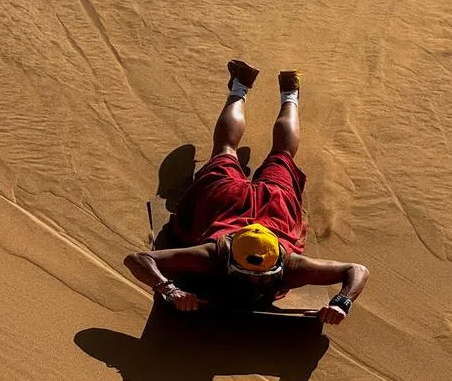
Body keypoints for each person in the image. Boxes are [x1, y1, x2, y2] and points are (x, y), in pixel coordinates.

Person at [124, 61, 368, 325]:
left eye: (261, 277)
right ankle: (276, 92)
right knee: (269, 153)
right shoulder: (211, 256)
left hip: (249, 201)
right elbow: (137, 259)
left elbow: (358, 270)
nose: (254, 282)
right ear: (228, 259)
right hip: (250, 201)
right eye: (248, 276)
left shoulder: (290, 266)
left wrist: (343, 302)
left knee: (230, 150)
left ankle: (257, 88)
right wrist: (169, 289)